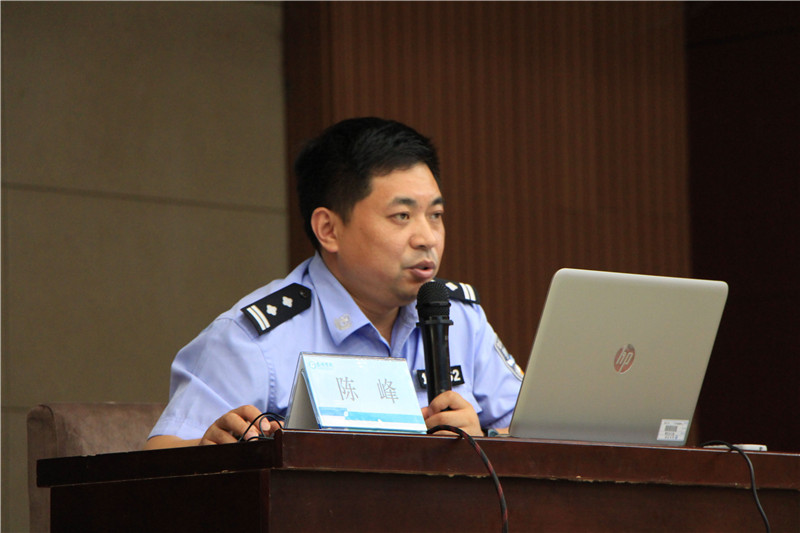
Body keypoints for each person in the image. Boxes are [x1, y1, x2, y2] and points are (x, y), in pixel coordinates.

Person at [144, 117, 523, 449]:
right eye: (402, 216)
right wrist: (211, 447)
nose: (427, 238)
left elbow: (536, 434)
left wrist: (485, 440)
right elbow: (160, 455)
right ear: (329, 229)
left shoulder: (459, 318)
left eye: (436, 215)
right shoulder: (254, 339)